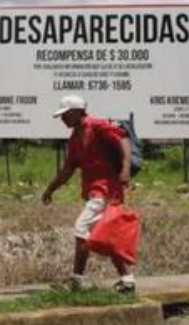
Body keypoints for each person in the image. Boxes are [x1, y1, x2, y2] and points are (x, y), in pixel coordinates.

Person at [42, 94, 137, 294]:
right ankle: (127, 281)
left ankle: (77, 280)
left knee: (81, 228)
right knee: (106, 236)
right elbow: (67, 170)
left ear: (78, 111)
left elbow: (123, 139)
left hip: (107, 190)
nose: (62, 119)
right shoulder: (74, 139)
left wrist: (126, 169)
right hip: (95, 191)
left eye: (66, 114)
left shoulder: (96, 126)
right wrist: (50, 189)